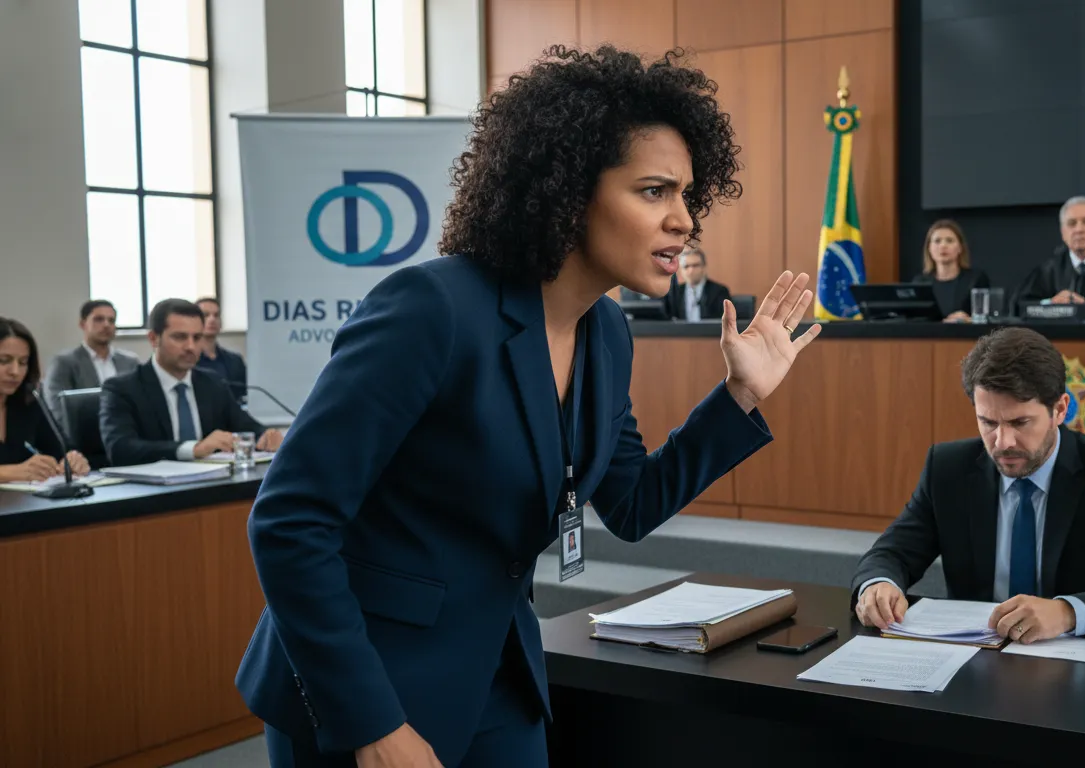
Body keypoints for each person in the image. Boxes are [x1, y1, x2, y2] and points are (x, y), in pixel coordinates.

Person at [235, 45, 822, 768]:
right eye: (653, 191)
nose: (684, 220)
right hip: (364, 687)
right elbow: (290, 521)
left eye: (687, 195)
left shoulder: (607, 331)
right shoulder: (432, 309)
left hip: (500, 674)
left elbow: (631, 504)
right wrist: (369, 723)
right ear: (571, 188)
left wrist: (740, 396)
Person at [852, 327, 1085, 644]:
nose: (1003, 441)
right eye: (988, 422)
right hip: (973, 665)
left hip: (1078, 672)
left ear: (1059, 409)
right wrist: (879, 584)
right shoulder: (949, 469)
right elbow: (891, 553)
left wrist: (1068, 612)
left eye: (1019, 422)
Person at [99, 299, 283, 467]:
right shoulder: (122, 389)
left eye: (197, 338)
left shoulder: (212, 383)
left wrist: (265, 435)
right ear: (154, 339)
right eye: (180, 337)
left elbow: (246, 426)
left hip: (211, 486)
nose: (191, 347)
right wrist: (193, 449)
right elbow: (120, 448)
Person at [0, 318, 90, 482]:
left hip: (23, 504)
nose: (15, 371)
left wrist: (72, 459)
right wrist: (7, 473)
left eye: (23, 362)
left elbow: (60, 449)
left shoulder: (28, 401)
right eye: (4, 361)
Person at [42, 300, 138, 431]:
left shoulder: (130, 362)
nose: (106, 325)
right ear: (82, 324)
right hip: (84, 438)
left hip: (127, 434)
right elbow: (57, 409)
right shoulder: (64, 362)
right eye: (99, 319)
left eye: (111, 320)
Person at [911, 219, 991, 322]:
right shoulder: (920, 282)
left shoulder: (976, 279)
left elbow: (988, 319)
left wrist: (969, 320)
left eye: (949, 240)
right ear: (929, 248)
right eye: (937, 241)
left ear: (960, 248)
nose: (943, 246)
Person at [194, 297, 248, 401]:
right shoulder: (187, 361)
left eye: (216, 315)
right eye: (206, 315)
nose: (212, 319)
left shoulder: (235, 361)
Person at [662, 245, 732, 320]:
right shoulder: (675, 293)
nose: (691, 270)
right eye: (686, 266)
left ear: (704, 267)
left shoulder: (719, 291)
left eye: (695, 265)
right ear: (681, 270)